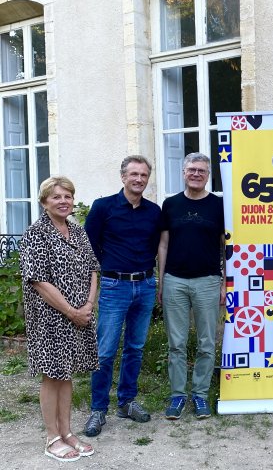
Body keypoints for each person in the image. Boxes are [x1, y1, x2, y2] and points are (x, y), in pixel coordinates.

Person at [20, 176, 98, 462]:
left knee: (66, 374)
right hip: (50, 317)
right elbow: (38, 281)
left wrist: (88, 305)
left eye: (68, 196)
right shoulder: (35, 233)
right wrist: (72, 311)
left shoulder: (77, 231)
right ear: (44, 202)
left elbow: (92, 268)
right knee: (52, 375)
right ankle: (52, 436)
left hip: (79, 314)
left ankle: (67, 432)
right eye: (56, 197)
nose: (63, 201)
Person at [83, 155, 161, 437]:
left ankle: (127, 402)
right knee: (105, 351)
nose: (139, 179)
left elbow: (156, 246)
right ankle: (98, 409)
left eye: (143, 175)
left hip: (145, 285)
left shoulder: (154, 211)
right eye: (134, 174)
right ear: (123, 177)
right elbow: (89, 249)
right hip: (115, 287)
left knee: (135, 348)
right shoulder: (103, 207)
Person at [158, 152, 225, 420]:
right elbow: (162, 244)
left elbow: (225, 247)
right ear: (183, 173)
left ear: (208, 176)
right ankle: (177, 396)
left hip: (208, 281)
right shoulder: (170, 205)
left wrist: (224, 283)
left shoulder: (218, 205)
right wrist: (161, 282)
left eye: (202, 171)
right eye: (191, 170)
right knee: (176, 343)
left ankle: (199, 395)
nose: (196, 174)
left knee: (207, 343)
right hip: (174, 280)